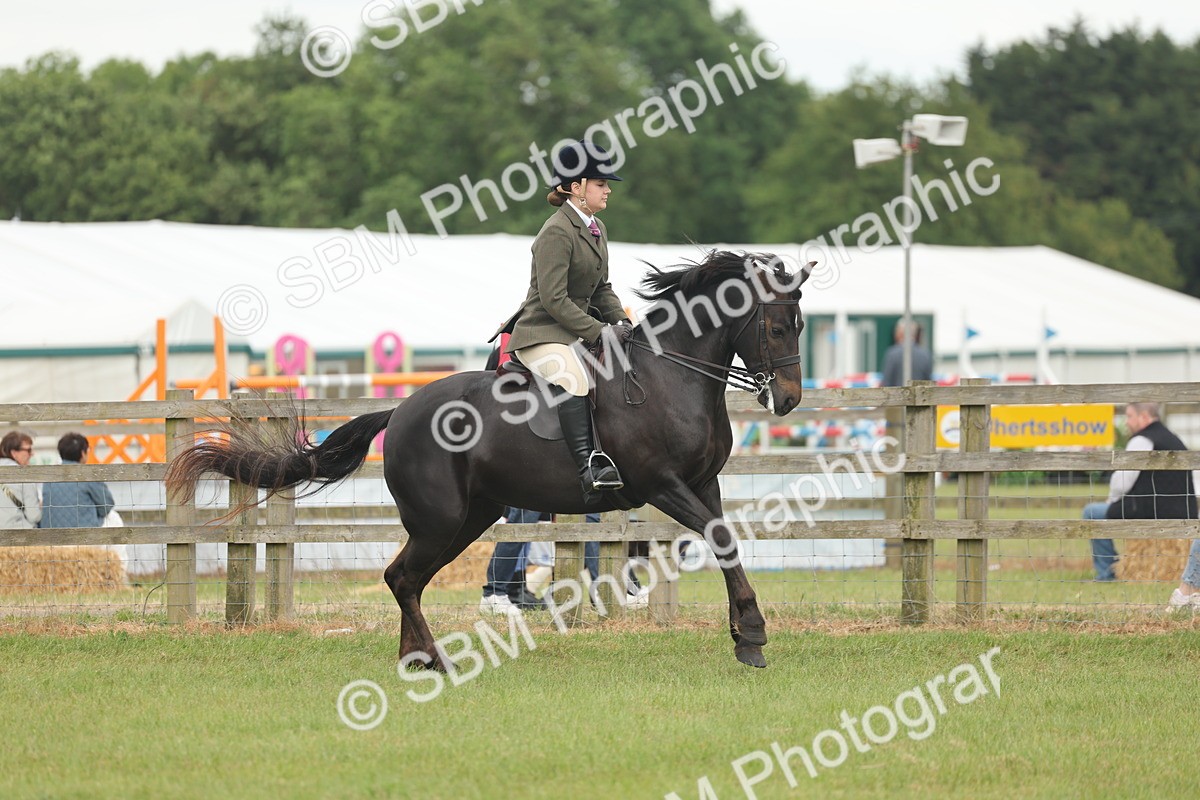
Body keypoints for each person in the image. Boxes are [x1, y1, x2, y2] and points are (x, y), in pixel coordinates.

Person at [490, 139, 633, 503]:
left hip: (573, 331)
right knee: (575, 379)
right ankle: (589, 467)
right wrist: (600, 331)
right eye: (601, 183)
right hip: (542, 332)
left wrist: (626, 325)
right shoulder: (556, 231)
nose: (608, 190)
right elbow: (554, 300)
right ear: (576, 187)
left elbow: (602, 289)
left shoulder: (595, 227)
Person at [1082, 403, 1198, 582]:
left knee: (1092, 512)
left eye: (1129, 416)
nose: (1127, 422)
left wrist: (1111, 501)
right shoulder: (1173, 438)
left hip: (1151, 510)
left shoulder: (1142, 440)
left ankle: (1107, 573)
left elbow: (1122, 482)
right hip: (1183, 511)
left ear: (1144, 417)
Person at [40, 433, 115, 528]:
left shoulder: (49, 477)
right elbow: (107, 505)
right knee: (113, 518)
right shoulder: (88, 475)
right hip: (83, 537)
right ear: (83, 453)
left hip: (50, 536)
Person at [0, 431, 42, 529]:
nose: (32, 453)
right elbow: (34, 516)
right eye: (29, 450)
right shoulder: (23, 475)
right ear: (14, 453)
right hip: (18, 535)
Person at [881, 320, 933, 386]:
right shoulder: (925, 355)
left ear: (900, 333)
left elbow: (886, 382)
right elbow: (928, 382)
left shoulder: (892, 354)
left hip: (896, 395)